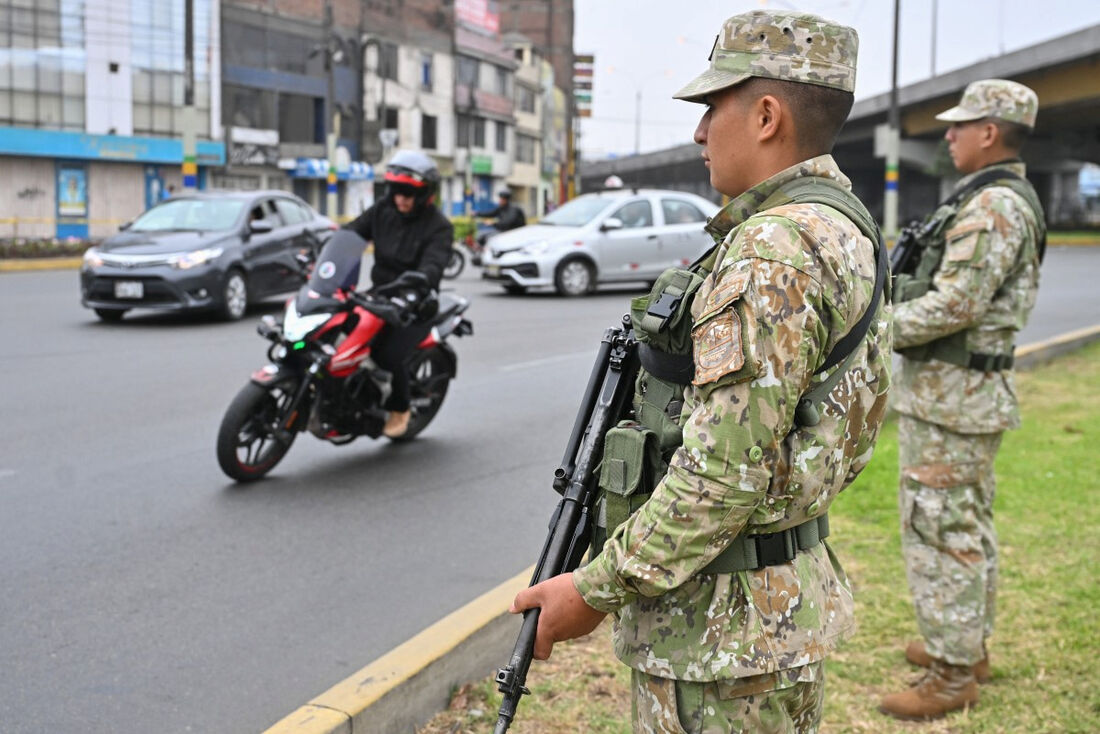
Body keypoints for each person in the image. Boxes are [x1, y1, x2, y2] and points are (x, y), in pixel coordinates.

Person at [509, 11, 892, 732]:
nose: (698, 131)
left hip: (719, 637)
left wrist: (593, 589)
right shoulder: (844, 227)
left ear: (768, 115)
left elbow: (721, 474)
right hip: (768, 606)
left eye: (713, 106)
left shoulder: (771, 250)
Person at [880, 79, 1044, 720]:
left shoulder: (993, 205)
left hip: (954, 399)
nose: (947, 135)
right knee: (964, 522)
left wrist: (873, 329)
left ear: (990, 132)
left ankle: (953, 676)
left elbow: (957, 304)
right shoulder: (997, 196)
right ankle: (966, 648)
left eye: (959, 125)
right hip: (963, 396)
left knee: (940, 528)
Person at [344, 149, 453, 438]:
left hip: (416, 302)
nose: (401, 198)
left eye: (408, 193)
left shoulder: (439, 227)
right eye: (396, 191)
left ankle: (400, 406)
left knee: (387, 354)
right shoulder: (383, 210)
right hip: (380, 294)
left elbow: (434, 265)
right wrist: (323, 249)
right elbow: (352, 233)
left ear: (425, 194)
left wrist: (420, 280)